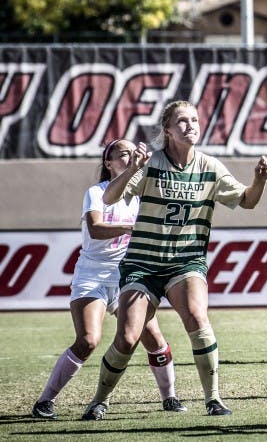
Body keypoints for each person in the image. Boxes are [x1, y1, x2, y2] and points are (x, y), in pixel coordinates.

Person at [81, 100, 267, 420]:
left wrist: (260, 180)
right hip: (143, 263)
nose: (191, 126)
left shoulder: (210, 167)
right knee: (127, 339)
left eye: (194, 120)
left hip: (186, 261)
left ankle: (213, 398)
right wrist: (131, 168)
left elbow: (247, 201)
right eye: (182, 121)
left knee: (198, 318)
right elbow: (110, 197)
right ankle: (99, 399)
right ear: (167, 130)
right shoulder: (151, 164)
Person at [32, 139, 185, 420]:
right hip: (93, 274)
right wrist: (133, 226)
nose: (129, 157)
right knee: (88, 340)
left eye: (133, 153)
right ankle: (45, 401)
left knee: (154, 338)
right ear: (108, 163)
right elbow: (96, 228)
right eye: (123, 153)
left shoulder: (142, 196)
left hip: (129, 276)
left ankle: (170, 397)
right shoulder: (97, 192)